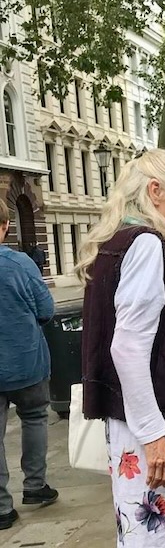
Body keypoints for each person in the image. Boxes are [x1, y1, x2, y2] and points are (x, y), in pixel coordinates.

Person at [77, 149, 165, 546]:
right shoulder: (146, 244)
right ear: (156, 191)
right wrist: (155, 437)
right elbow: (126, 347)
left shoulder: (117, 238)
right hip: (155, 427)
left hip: (134, 424)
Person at [0, 200, 57, 530]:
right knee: (35, 417)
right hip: (25, 361)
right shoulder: (20, 263)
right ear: (6, 226)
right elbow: (46, 309)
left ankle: (2, 507)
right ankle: (35, 486)